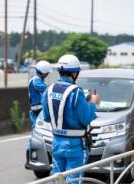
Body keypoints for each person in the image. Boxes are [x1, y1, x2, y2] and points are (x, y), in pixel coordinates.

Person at [42, 54, 100, 183]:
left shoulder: (48, 90)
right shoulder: (76, 92)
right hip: (75, 145)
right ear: (74, 73)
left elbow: (46, 117)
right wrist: (93, 101)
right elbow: (86, 118)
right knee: (74, 179)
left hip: (57, 142)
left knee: (58, 178)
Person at [25, 60, 52, 169]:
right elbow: (47, 90)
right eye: (47, 73)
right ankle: (30, 158)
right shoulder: (36, 81)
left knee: (38, 134)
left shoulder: (36, 79)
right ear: (43, 72)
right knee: (36, 135)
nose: (47, 74)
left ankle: (33, 158)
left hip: (38, 112)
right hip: (37, 112)